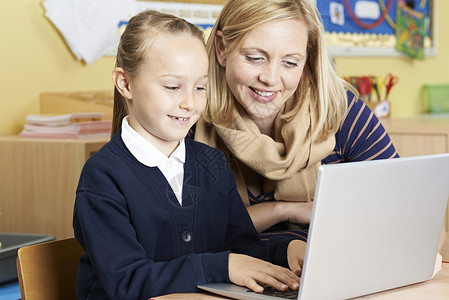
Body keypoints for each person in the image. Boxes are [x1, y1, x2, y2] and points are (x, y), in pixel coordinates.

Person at [73, 9, 306, 300]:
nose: (189, 103)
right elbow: (126, 282)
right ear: (125, 84)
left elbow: (241, 251)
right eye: (173, 87)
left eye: (200, 87)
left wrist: (287, 250)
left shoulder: (212, 164)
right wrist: (221, 266)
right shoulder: (103, 176)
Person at [192, 0, 399, 243]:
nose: (270, 78)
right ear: (221, 48)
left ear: (307, 61)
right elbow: (184, 234)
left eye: (290, 63)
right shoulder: (189, 119)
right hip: (226, 277)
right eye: (255, 58)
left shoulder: (339, 112)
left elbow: (409, 212)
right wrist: (284, 209)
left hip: (331, 274)